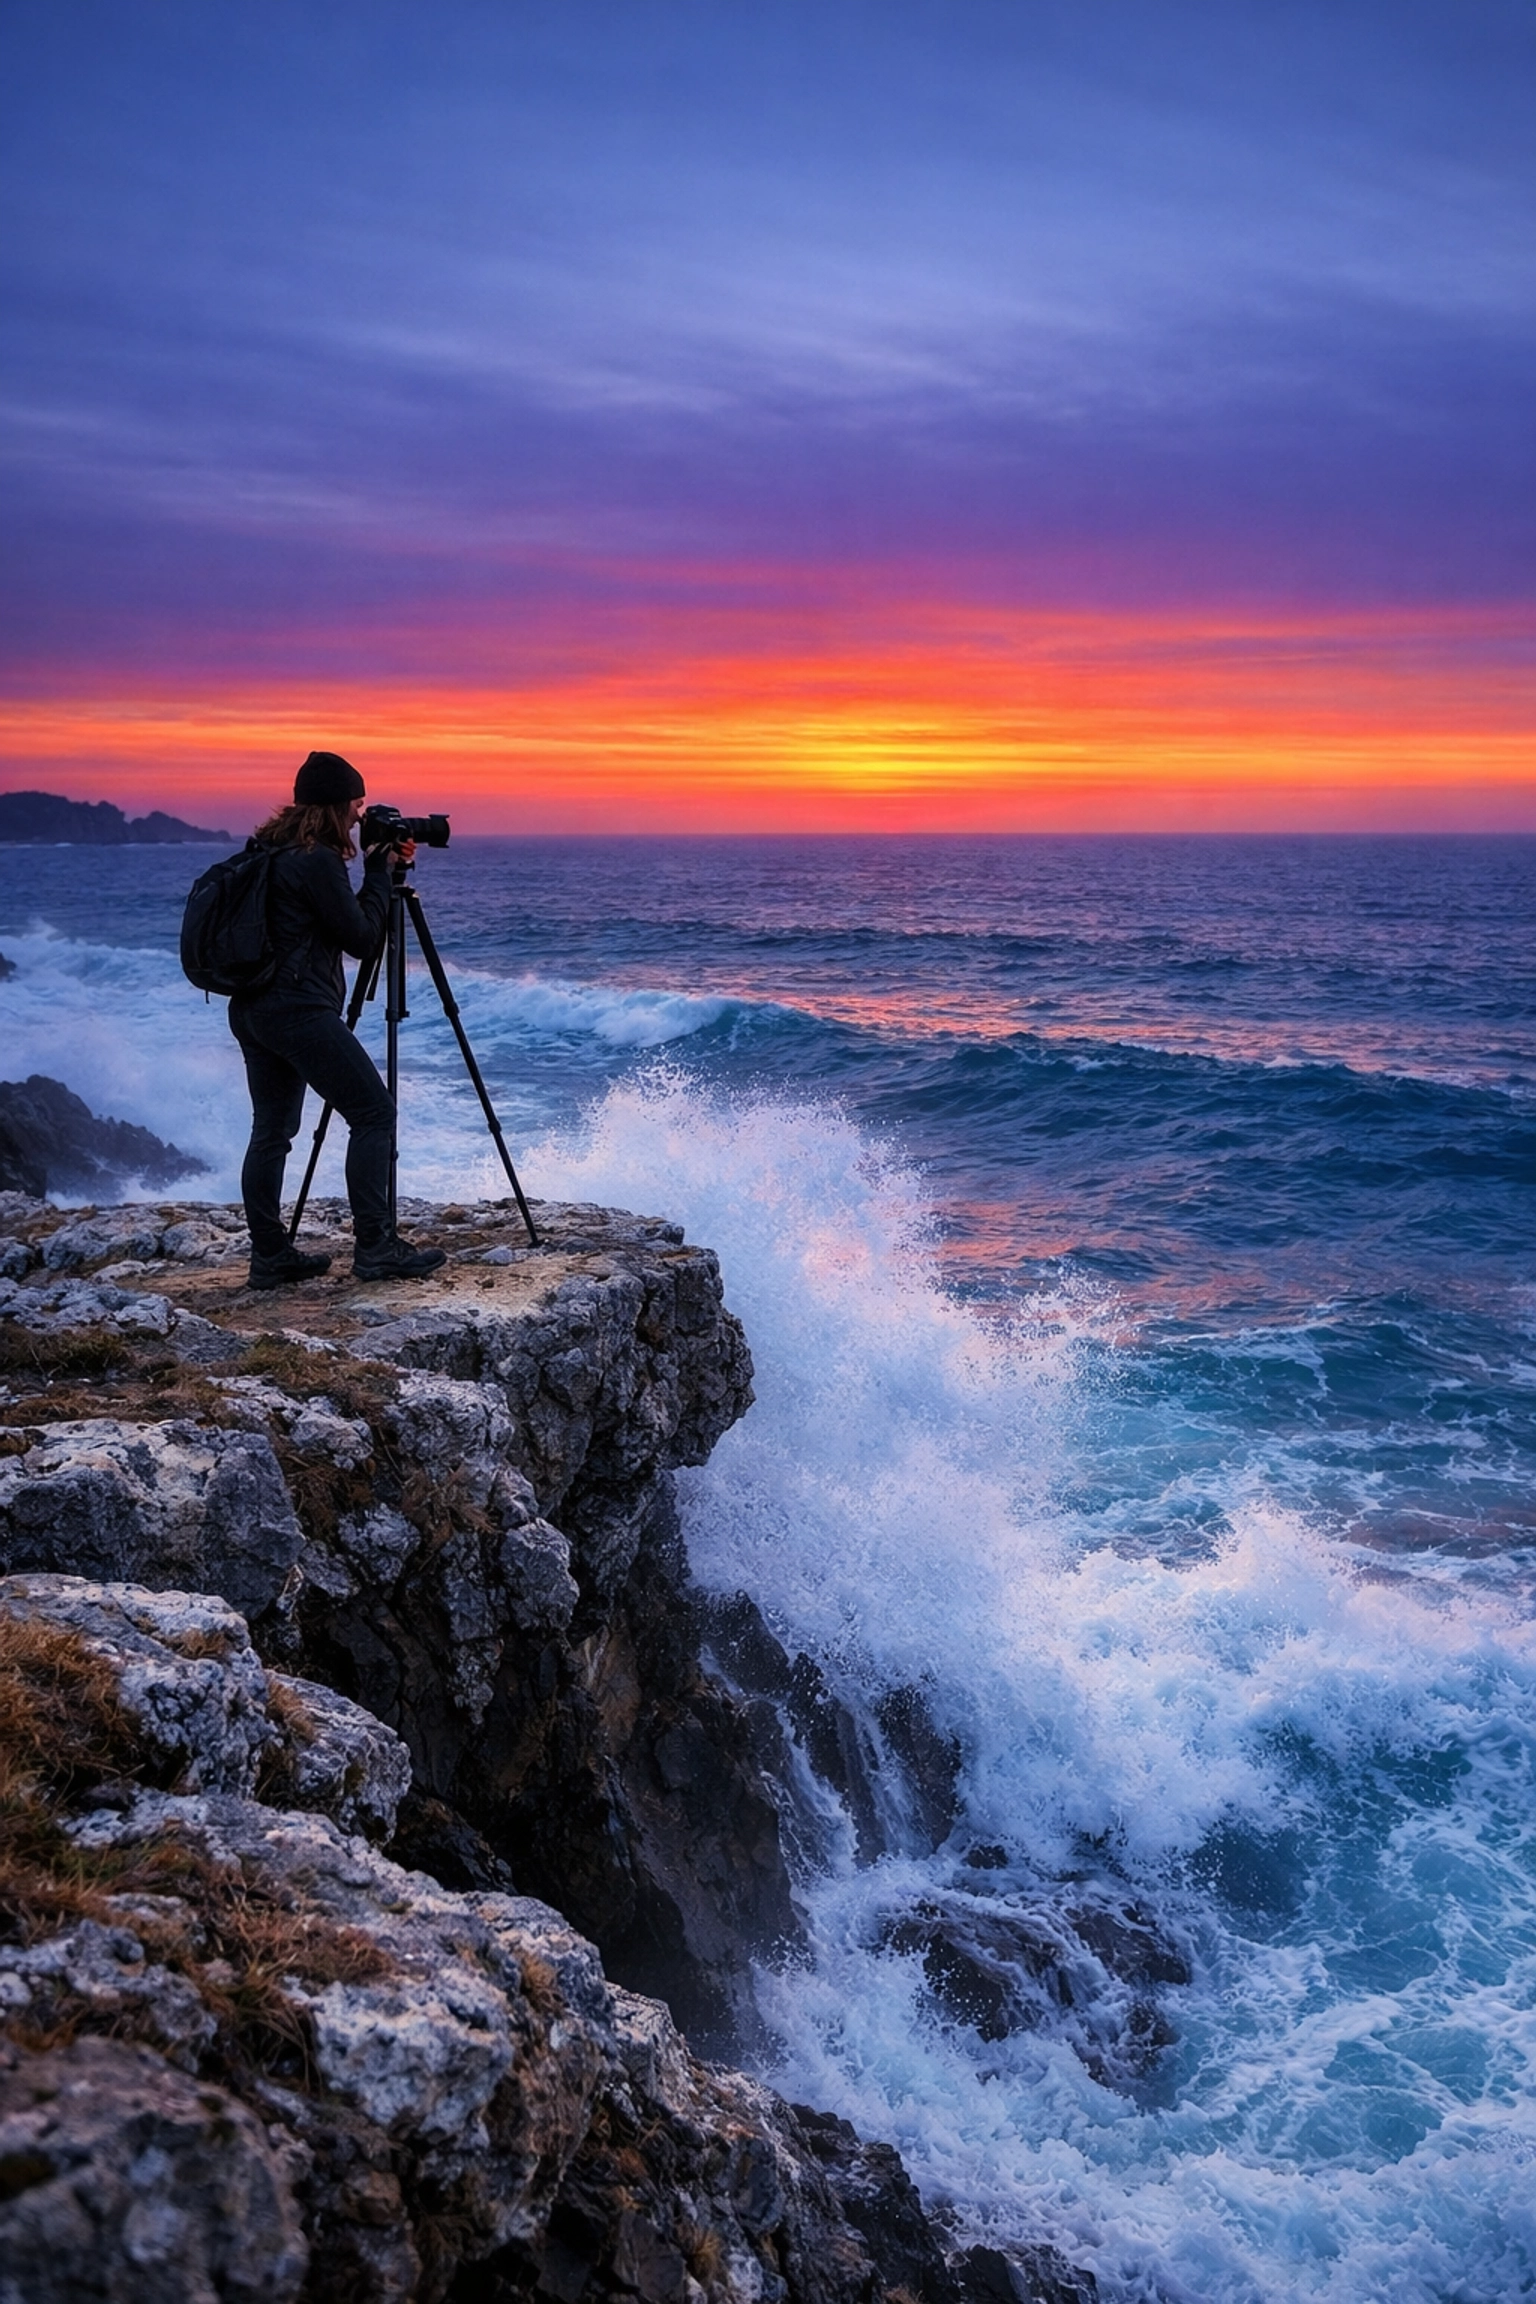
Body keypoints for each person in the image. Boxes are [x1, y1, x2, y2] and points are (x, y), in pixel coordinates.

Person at [229, 750, 446, 1288]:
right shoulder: (317, 860)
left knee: (272, 1130)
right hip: (297, 1010)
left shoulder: (271, 849)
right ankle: (376, 1248)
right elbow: (363, 939)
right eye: (355, 803)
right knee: (374, 1113)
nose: (358, 815)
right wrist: (378, 874)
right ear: (334, 805)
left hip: (253, 1008)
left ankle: (269, 1256)